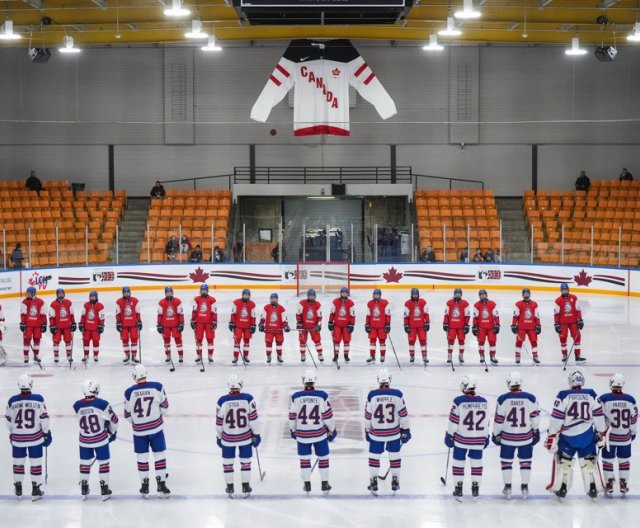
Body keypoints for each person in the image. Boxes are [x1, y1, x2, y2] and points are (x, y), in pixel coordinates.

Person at [545, 370, 606, 500]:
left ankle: (562, 488)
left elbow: (556, 418)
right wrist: (601, 432)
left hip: (568, 437)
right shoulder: (591, 394)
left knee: (565, 463)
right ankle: (592, 488)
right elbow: (598, 415)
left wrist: (552, 435)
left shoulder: (563, 395)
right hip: (587, 435)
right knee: (589, 464)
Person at [492, 372, 540, 500]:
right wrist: (535, 430)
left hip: (507, 438)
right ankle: (525, 486)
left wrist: (496, 434)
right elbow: (535, 418)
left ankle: (507, 486)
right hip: (526, 438)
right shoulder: (531, 398)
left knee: (506, 462)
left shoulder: (503, 399)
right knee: (525, 463)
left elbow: (498, 420)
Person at [124, 365, 170, 498]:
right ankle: (161, 484)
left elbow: (127, 415)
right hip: (156, 430)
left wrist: (139, 422)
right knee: (159, 456)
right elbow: (165, 408)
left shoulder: (129, 392)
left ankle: (144, 486)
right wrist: (155, 417)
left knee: (142, 458)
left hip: (139, 433)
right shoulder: (157, 387)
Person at [289, 370, 337, 495]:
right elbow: (328, 416)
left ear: (303, 380)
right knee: (324, 458)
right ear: (314, 380)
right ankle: (325, 483)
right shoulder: (322, 396)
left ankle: (307, 485)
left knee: (304, 460)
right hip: (319, 434)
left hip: (302, 435)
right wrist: (332, 430)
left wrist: (293, 430)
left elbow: (292, 416)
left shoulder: (296, 397)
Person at [5, 374, 51, 500]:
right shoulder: (38, 399)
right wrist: (46, 433)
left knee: (18, 464)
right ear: (31, 384)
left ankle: (18, 487)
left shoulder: (12, 400)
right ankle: (36, 489)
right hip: (35, 438)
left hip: (18, 439)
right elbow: (44, 418)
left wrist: (13, 433)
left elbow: (8, 421)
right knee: (35, 464)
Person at [364, 369, 411, 495]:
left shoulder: (372, 395)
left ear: (378, 380)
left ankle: (373, 481)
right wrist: (405, 429)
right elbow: (403, 415)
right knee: (394, 456)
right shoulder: (397, 394)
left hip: (376, 434)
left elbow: (368, 415)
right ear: (389, 379)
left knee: (374, 457)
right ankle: (395, 480)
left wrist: (367, 429)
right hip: (393, 433)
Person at [445, 375, 489, 500]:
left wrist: (449, 435)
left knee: (458, 463)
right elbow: (487, 422)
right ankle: (475, 487)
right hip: (478, 440)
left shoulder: (459, 401)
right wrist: (486, 436)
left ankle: (458, 488)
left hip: (461, 440)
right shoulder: (484, 402)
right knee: (476, 463)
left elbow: (453, 422)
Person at [216, 374, 261, 497]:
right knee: (245, 462)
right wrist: (256, 434)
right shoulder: (248, 399)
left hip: (228, 439)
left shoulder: (222, 401)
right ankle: (245, 486)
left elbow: (219, 423)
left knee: (228, 463)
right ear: (240, 384)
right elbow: (253, 420)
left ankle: (229, 487)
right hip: (245, 438)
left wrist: (219, 437)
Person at [73, 380, 118, 501]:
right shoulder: (102, 404)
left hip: (84, 440)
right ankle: (104, 488)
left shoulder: (76, 405)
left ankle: (84, 487)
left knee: (84, 463)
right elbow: (114, 420)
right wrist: (112, 432)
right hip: (100, 439)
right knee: (103, 463)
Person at [599, 373, 638, 496]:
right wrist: (633, 432)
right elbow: (634, 418)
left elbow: (599, 417)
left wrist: (600, 432)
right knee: (624, 460)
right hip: (625, 437)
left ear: (611, 384)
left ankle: (609, 484)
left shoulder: (604, 398)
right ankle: (623, 483)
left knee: (607, 461)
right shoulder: (631, 400)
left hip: (609, 437)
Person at [554, 283, 585, 363]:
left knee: (577, 337)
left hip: (573, 322)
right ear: (561, 291)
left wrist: (580, 320)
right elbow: (556, 314)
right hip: (562, 323)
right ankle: (564, 355)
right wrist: (556, 324)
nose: (564, 291)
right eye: (563, 290)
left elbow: (578, 310)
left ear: (568, 289)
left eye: (566, 289)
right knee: (563, 338)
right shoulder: (558, 300)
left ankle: (577, 355)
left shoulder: (574, 298)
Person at [512, 288, 541, 365]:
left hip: (532, 327)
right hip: (521, 327)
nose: (526, 294)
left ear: (529, 294)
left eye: (527, 293)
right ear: (522, 295)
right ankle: (517, 356)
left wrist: (538, 325)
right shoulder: (518, 304)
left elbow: (537, 316)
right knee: (519, 341)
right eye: (525, 293)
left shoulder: (534, 304)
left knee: (534, 341)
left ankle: (535, 356)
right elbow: (515, 316)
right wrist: (513, 325)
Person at [259, 293, 289, 364]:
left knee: (279, 343)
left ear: (277, 299)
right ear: (270, 299)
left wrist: (285, 326)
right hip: (269, 330)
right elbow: (263, 318)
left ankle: (279, 356)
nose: (273, 300)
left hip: (279, 330)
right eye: (272, 299)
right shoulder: (266, 307)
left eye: (275, 298)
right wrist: (261, 324)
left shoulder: (281, 308)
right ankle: (268, 356)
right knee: (268, 343)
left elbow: (284, 319)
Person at [190, 283, 217, 364]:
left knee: (210, 339)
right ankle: (199, 355)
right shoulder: (197, 299)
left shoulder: (212, 300)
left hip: (209, 323)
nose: (203, 292)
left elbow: (214, 312)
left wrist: (214, 322)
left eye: (205, 290)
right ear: (200, 291)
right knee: (199, 340)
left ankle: (210, 355)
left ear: (207, 291)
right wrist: (193, 320)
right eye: (202, 290)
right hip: (199, 323)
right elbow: (194, 311)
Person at [157, 286, 184, 364]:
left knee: (178, 340)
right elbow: (160, 315)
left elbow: (180, 314)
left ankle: (180, 356)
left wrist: (181, 323)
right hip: (165, 326)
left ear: (172, 293)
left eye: (170, 292)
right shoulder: (161, 302)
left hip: (175, 325)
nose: (169, 294)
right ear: (165, 294)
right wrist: (159, 324)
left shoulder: (177, 301)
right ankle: (168, 356)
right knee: (166, 341)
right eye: (167, 293)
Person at [229, 289, 256, 365]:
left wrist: (253, 325)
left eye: (248, 295)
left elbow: (253, 316)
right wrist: (231, 322)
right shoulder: (236, 302)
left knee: (247, 342)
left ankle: (246, 356)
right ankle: (235, 357)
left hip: (247, 326)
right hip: (238, 326)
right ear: (242, 295)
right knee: (237, 342)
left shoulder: (252, 304)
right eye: (245, 295)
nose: (246, 296)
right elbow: (233, 314)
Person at [472, 289, 500, 365]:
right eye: (481, 295)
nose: (483, 296)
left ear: (486, 295)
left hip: (491, 327)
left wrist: (497, 325)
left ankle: (492, 356)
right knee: (481, 342)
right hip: (481, 327)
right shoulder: (476, 305)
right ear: (479, 296)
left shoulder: (492, 304)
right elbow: (475, 317)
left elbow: (496, 316)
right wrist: (474, 326)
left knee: (492, 341)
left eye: (484, 294)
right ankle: (481, 355)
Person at [49, 288, 76, 364]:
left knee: (68, 341)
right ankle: (56, 356)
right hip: (57, 327)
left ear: (64, 294)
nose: (61, 295)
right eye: (59, 293)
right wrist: (52, 325)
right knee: (56, 342)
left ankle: (69, 355)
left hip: (67, 326)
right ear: (57, 295)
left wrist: (73, 323)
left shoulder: (68, 303)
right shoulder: (53, 304)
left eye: (62, 293)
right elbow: (51, 316)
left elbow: (71, 314)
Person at [20, 286, 47, 364]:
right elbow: (23, 314)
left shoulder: (41, 302)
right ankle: (26, 355)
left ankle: (36, 355)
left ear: (33, 293)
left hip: (37, 326)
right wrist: (22, 323)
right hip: (28, 325)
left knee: (37, 341)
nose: (27, 295)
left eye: (29, 293)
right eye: (27, 293)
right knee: (26, 341)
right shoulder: (24, 302)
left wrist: (44, 323)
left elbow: (43, 314)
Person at [115, 286, 142, 363]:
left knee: (134, 340)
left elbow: (137, 312)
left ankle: (134, 356)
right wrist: (118, 322)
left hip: (133, 324)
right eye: (125, 292)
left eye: (127, 292)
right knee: (125, 340)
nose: (126, 293)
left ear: (130, 292)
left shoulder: (135, 301)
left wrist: (139, 321)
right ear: (123, 293)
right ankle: (127, 355)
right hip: (123, 325)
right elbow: (118, 314)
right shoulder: (119, 302)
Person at [443, 288, 470, 364]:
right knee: (450, 341)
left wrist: (466, 325)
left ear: (461, 294)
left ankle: (461, 355)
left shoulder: (465, 303)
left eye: (459, 293)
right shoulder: (449, 303)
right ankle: (449, 355)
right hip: (451, 327)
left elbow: (467, 315)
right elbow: (446, 314)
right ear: (454, 294)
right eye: (456, 293)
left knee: (461, 341)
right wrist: (445, 323)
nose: (457, 295)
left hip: (461, 327)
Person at [403, 287, 430, 364]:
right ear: (411, 295)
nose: (415, 296)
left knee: (423, 341)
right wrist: (406, 325)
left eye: (416, 294)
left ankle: (424, 356)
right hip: (412, 327)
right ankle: (412, 356)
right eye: (413, 294)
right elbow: (406, 316)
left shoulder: (423, 302)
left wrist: (427, 323)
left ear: (418, 295)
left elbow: (426, 314)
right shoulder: (407, 303)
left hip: (421, 327)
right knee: (411, 341)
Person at [328, 287, 355, 363]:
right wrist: (330, 322)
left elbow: (352, 315)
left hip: (346, 326)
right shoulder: (335, 302)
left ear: (347, 294)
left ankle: (346, 355)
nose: (344, 294)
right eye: (342, 292)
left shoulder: (351, 303)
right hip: (337, 325)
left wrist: (351, 324)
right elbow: (332, 313)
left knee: (347, 340)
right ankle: (336, 355)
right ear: (340, 293)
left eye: (345, 293)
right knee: (336, 340)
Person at [297, 289, 323, 363]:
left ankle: (320, 354)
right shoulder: (302, 303)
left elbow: (320, 317)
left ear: (315, 296)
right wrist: (299, 323)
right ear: (308, 296)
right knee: (302, 340)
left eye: (313, 296)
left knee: (317, 340)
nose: (311, 297)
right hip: (304, 326)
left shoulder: (318, 305)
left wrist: (319, 325)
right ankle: (302, 354)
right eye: (310, 296)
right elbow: (298, 314)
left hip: (313, 326)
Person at [365, 289, 391, 364]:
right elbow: (368, 315)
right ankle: (372, 355)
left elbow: (388, 315)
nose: (376, 296)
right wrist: (367, 324)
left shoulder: (385, 303)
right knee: (372, 341)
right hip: (373, 326)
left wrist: (388, 324)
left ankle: (382, 355)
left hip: (382, 327)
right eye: (375, 295)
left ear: (380, 295)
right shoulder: (370, 303)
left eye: (377, 295)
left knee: (382, 341)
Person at [79, 291, 104, 363]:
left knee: (96, 342)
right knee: (85, 342)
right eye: (91, 297)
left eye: (93, 297)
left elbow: (102, 317)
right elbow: (83, 315)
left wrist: (101, 325)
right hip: (87, 328)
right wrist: (81, 323)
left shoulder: (100, 306)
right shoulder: (86, 305)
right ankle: (86, 355)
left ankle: (95, 355)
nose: (92, 298)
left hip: (95, 329)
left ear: (96, 297)